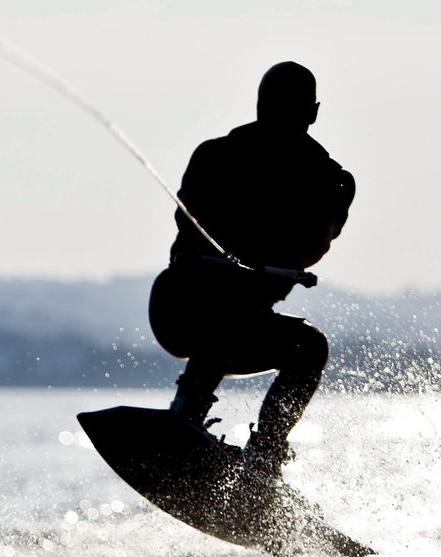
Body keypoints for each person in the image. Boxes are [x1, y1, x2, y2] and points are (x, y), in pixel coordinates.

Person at [148, 62, 355, 479]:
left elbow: (312, 247)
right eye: (272, 108)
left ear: (312, 114)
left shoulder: (331, 182)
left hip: (247, 326)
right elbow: (190, 223)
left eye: (289, 110)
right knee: (228, 306)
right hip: (181, 310)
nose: (277, 119)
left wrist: (272, 255)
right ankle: (185, 413)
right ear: (259, 106)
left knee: (309, 347)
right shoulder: (216, 156)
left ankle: (264, 459)